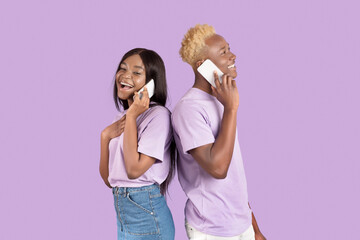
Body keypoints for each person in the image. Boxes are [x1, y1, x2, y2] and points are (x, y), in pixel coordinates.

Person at [172, 24, 266, 240]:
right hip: (213, 231)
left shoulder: (221, 102)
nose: (233, 55)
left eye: (229, 49)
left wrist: (255, 228)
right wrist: (231, 109)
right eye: (223, 52)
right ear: (202, 65)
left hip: (241, 224)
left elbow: (233, 177)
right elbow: (218, 168)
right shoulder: (189, 109)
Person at [99, 48, 175, 240]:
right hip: (124, 215)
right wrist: (105, 136)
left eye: (136, 72)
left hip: (148, 218)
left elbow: (133, 170)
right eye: (122, 69)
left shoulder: (158, 116)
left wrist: (133, 115)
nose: (125, 76)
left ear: (151, 82)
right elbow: (109, 180)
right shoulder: (123, 119)